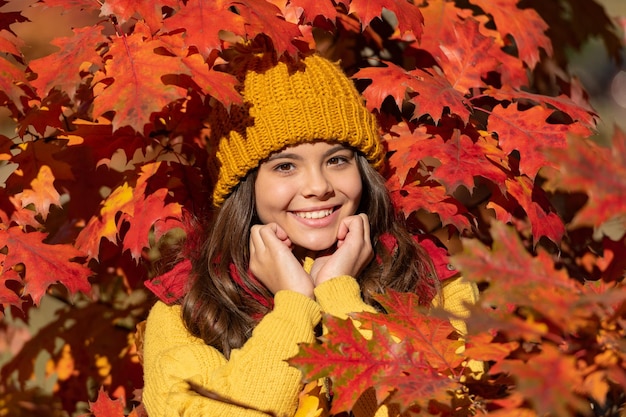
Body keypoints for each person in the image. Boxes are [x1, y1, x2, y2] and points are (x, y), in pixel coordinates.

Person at [141, 53, 479, 417]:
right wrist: (294, 307)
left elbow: (443, 408)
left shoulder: (432, 280)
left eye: (337, 160)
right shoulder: (189, 310)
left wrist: (339, 297)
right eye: (285, 166)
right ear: (245, 187)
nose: (318, 187)